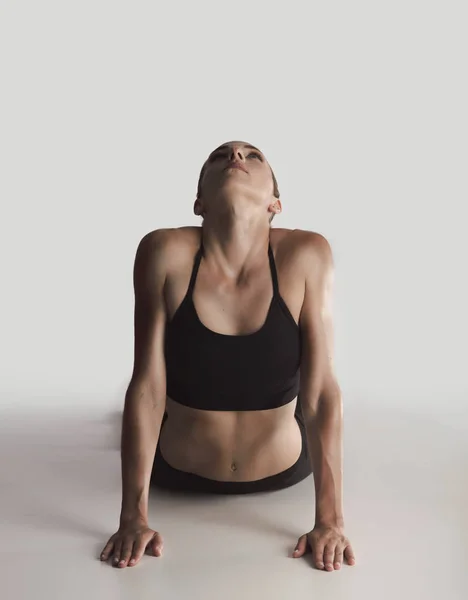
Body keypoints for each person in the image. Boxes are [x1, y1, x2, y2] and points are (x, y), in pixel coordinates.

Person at [100, 141, 356, 571]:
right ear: (198, 202)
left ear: (276, 202)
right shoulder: (164, 252)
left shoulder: (306, 254)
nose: (236, 157)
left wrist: (329, 521)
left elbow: (322, 391)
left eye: (253, 156)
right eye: (221, 157)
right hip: (176, 472)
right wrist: (132, 519)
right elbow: (147, 384)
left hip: (284, 470)